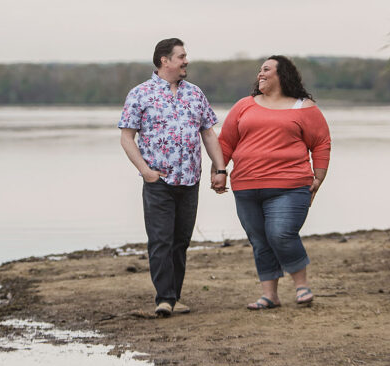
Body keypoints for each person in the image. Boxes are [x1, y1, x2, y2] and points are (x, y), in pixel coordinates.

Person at [119, 38, 227, 317]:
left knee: (181, 241)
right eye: (181, 56)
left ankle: (174, 297)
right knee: (160, 240)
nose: (186, 61)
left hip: (190, 180)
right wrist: (145, 171)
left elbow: (208, 133)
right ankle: (164, 298)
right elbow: (127, 137)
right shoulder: (140, 94)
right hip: (159, 181)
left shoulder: (195, 94)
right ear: (164, 60)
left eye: (185, 56)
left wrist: (221, 168)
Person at [216, 55, 331, 309]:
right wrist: (219, 171)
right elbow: (225, 141)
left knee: (281, 234)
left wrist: (319, 176)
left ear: (282, 75)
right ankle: (270, 295)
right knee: (259, 239)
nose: (260, 74)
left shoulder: (303, 107)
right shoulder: (244, 105)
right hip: (246, 186)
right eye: (259, 70)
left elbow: (321, 142)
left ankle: (302, 286)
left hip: (290, 186)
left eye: (266, 69)